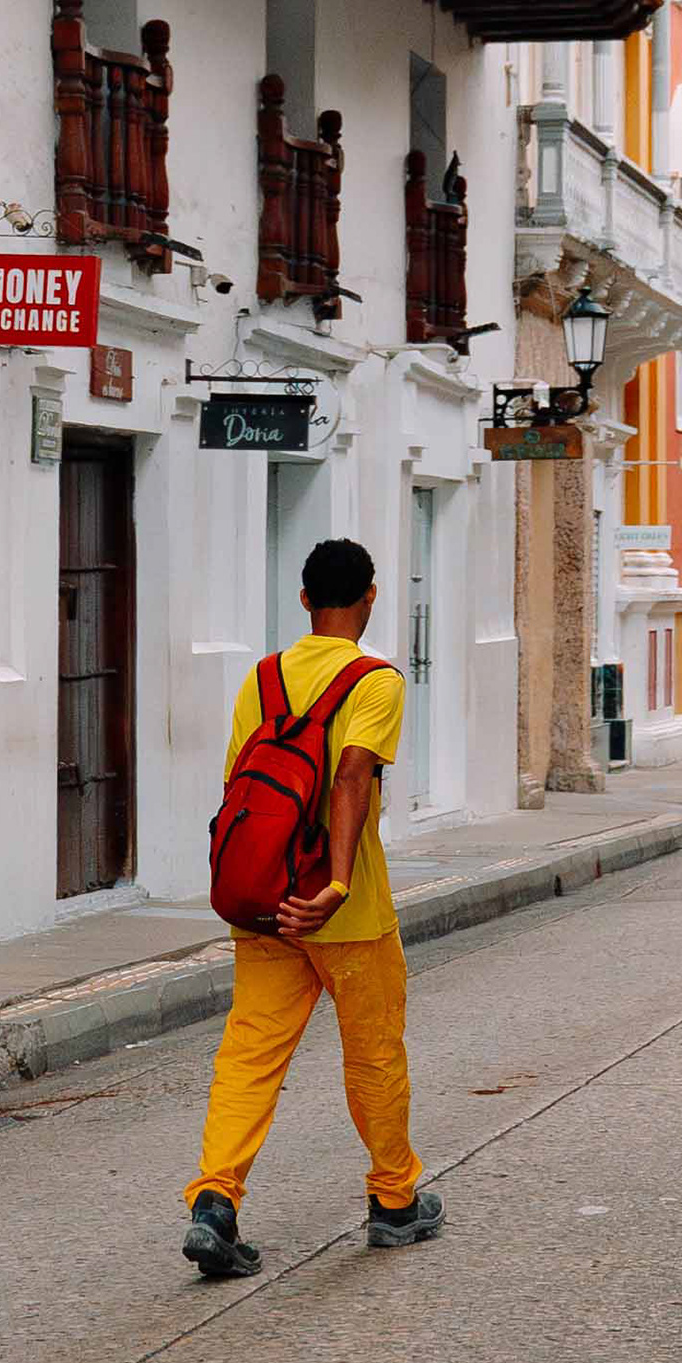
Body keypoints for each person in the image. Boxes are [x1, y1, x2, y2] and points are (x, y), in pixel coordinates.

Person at [183, 536, 437, 1282]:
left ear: (302, 600)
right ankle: (394, 1201)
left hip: (263, 903)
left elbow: (240, 786)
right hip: (340, 913)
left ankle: (214, 1203)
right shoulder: (374, 681)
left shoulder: (262, 678)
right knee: (373, 1052)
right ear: (371, 595)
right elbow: (352, 777)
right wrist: (335, 885)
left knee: (249, 1056)